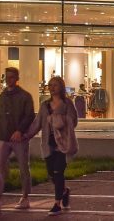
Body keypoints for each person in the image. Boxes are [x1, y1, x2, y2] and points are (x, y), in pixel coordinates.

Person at [22, 75, 78, 216]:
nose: (52, 88)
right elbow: (37, 123)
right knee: (51, 174)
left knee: (59, 172)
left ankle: (56, 204)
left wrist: (59, 119)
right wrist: (27, 135)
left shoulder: (67, 104)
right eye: (50, 85)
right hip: (48, 143)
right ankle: (64, 191)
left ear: (61, 87)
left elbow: (74, 120)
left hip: (63, 144)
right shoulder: (45, 105)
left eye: (55, 85)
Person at [0, 67, 35, 213]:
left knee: (23, 167)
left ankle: (25, 197)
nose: (9, 80)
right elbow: (1, 117)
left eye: (12, 77)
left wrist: (20, 130)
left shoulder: (25, 96)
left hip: (19, 138)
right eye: (7, 77)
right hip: (4, 136)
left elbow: (29, 115)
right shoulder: (2, 97)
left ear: (17, 78)